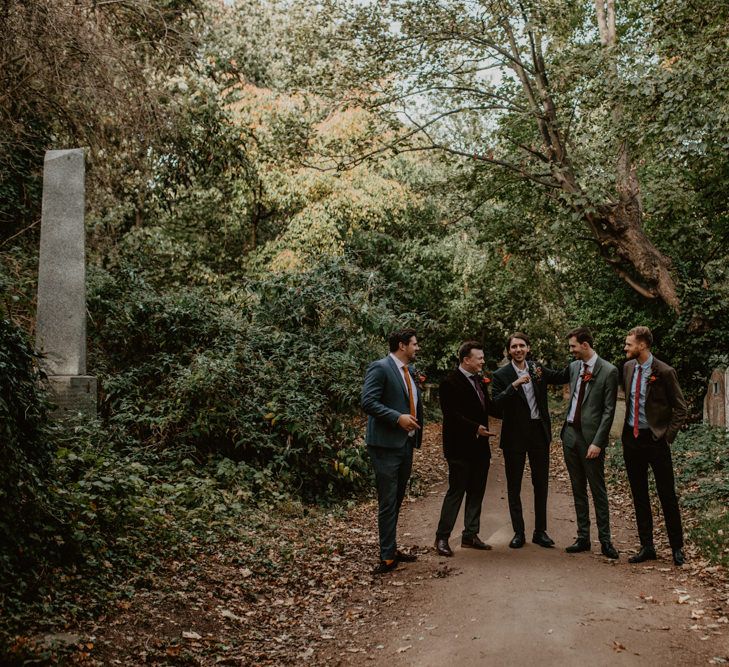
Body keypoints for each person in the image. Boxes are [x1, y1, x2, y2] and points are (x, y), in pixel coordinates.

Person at [491, 333, 568, 549]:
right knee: (514, 486)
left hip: (538, 433)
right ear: (509, 351)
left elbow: (562, 376)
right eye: (514, 346)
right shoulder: (501, 374)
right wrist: (513, 386)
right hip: (514, 436)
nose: (518, 349)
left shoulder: (537, 369)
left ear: (528, 348)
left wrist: (581, 359)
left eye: (522, 346)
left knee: (540, 484)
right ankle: (518, 532)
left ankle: (540, 532)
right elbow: (495, 405)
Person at [622, 326, 688, 566]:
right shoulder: (628, 368)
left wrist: (666, 436)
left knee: (666, 494)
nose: (626, 348)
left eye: (629, 344)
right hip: (631, 439)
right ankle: (647, 546)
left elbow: (680, 408)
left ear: (642, 345)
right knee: (639, 494)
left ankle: (677, 548)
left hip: (655, 440)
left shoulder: (664, 371)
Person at [361, 328, 424, 574]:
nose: (417, 348)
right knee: (388, 501)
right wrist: (397, 418)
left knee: (396, 499)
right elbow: (368, 401)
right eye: (414, 344)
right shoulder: (380, 368)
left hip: (405, 443)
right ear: (402, 345)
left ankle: (391, 546)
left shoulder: (410, 371)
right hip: (385, 445)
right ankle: (387, 556)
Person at [560, 327, 619, 559]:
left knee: (597, 490)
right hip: (570, 436)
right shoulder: (574, 367)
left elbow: (608, 410)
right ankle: (583, 537)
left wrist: (598, 442)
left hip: (591, 440)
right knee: (577, 489)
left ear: (585, 345)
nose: (571, 350)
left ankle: (605, 541)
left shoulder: (608, 370)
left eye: (573, 346)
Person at [434, 341, 497, 557]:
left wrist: (513, 388)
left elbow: (488, 407)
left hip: (480, 448)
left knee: (477, 491)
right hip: (459, 448)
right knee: (456, 491)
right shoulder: (449, 383)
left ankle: (470, 535)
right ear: (466, 359)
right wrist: (476, 428)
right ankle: (442, 537)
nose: (482, 361)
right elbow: (451, 415)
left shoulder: (480, 381)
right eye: (479, 358)